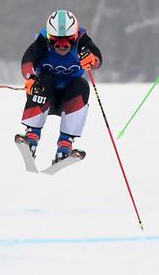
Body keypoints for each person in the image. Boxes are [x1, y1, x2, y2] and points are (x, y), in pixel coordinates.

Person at [15, 10, 103, 163]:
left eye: (68, 40)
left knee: (82, 85)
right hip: (44, 96)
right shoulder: (42, 41)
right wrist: (30, 78)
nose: (62, 46)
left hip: (69, 98)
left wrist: (92, 59)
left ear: (75, 36)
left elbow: (97, 57)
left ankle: (65, 143)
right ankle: (32, 136)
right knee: (44, 80)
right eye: (56, 40)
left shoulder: (82, 40)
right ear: (49, 37)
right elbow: (27, 61)